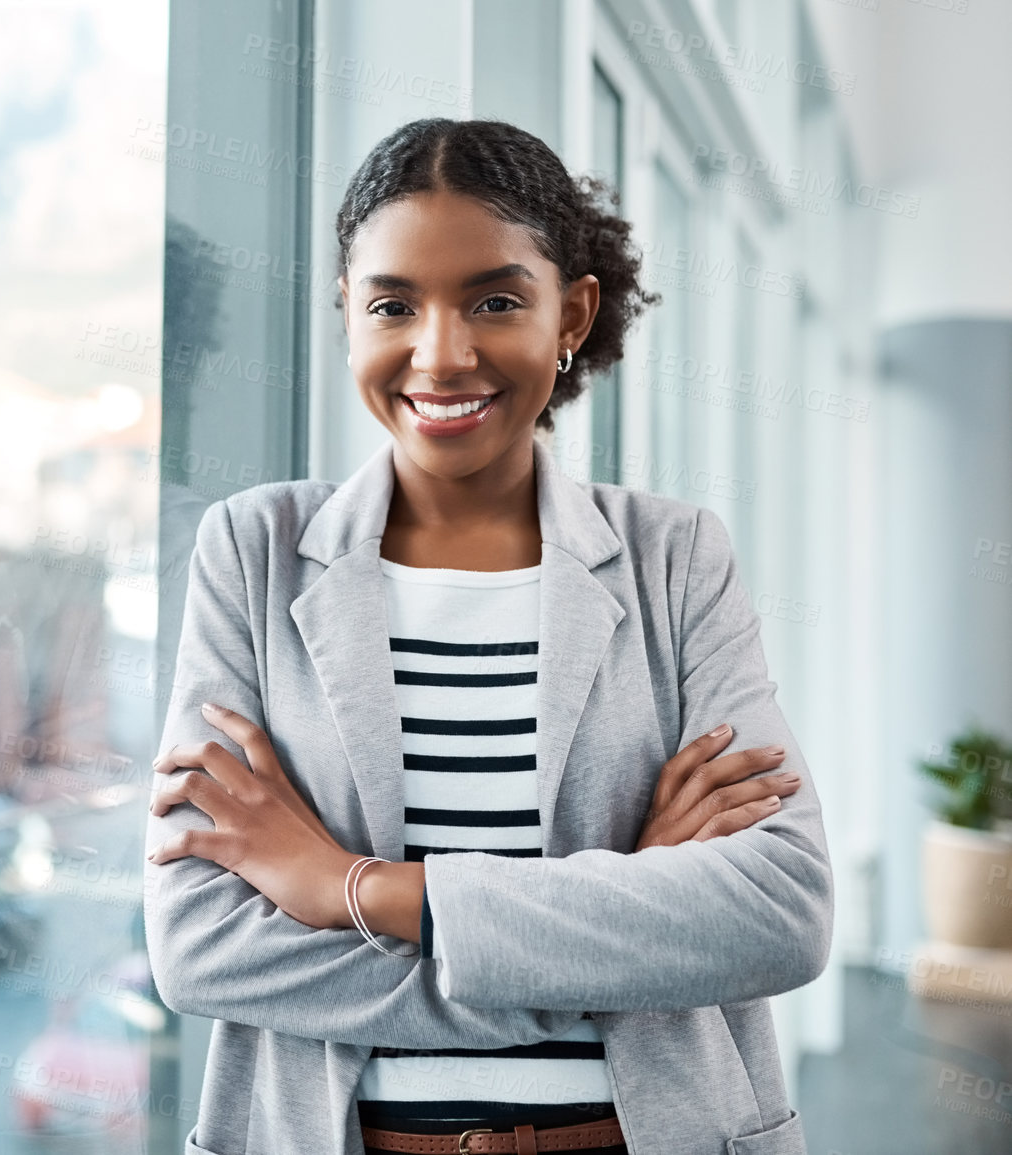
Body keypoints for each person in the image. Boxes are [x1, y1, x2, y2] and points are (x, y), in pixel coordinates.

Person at [142, 118, 833, 1155]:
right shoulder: (255, 550)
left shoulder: (674, 557)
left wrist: (349, 889)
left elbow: (779, 910)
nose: (442, 353)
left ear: (573, 312)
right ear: (346, 316)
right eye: (393, 305)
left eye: (495, 301)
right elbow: (202, 947)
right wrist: (619, 942)